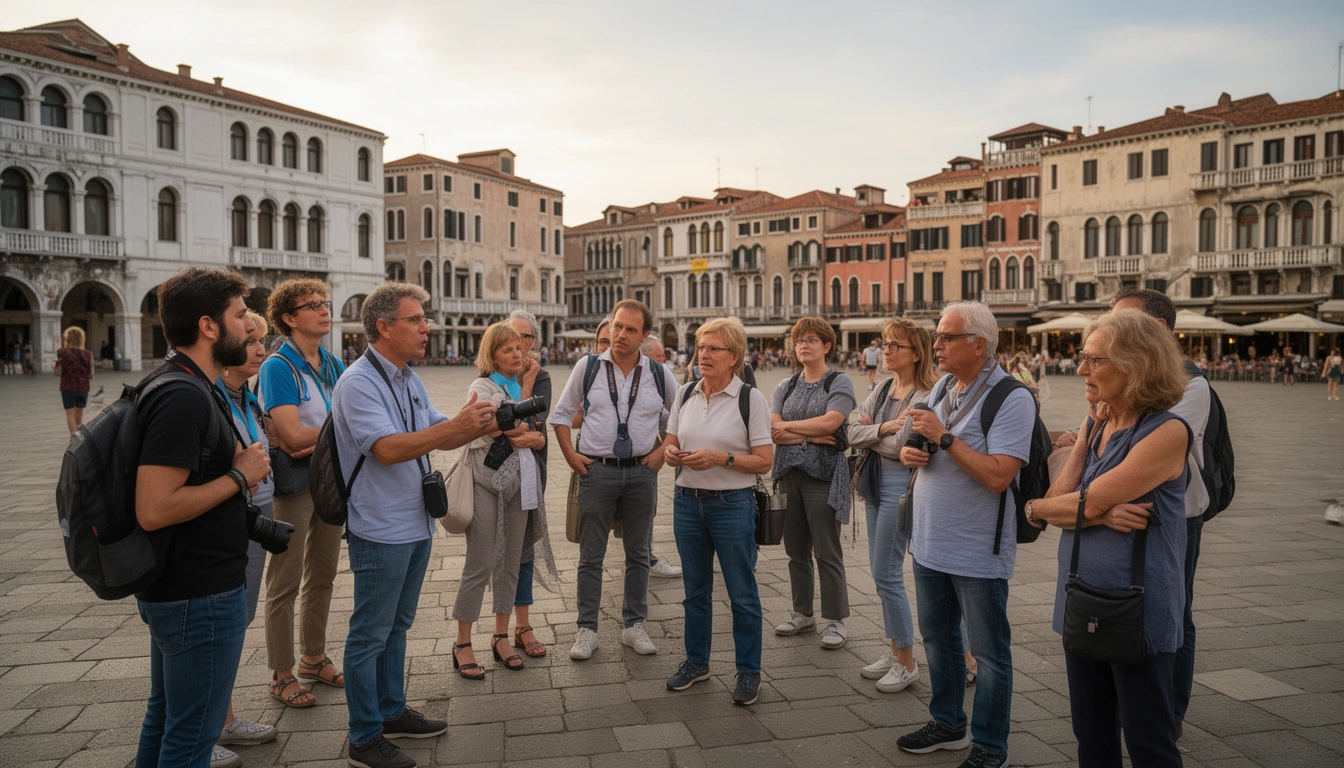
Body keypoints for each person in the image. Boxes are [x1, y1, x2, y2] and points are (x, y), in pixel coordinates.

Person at [332, 282, 497, 768]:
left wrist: (479, 422)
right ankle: (363, 736)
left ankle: (388, 709)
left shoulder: (407, 377)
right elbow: (386, 448)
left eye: (425, 319)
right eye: (416, 320)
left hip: (414, 522)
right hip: (379, 527)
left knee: (397, 625)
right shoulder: (359, 382)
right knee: (369, 632)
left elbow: (434, 426)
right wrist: (455, 428)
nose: (428, 327)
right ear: (384, 328)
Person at [1024, 309, 1190, 767]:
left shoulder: (1167, 431)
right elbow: (1070, 501)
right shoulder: (1099, 426)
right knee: (1091, 736)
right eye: (1083, 358)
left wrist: (1036, 509)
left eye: (1094, 361)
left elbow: (1061, 507)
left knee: (1148, 740)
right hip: (1081, 597)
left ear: (1135, 365)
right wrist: (1085, 436)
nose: (1081, 370)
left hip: (1136, 609)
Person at [133, 268, 272, 768]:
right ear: (209, 327)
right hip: (199, 593)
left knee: (168, 718)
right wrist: (239, 477)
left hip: (187, 587)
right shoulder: (182, 395)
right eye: (241, 317)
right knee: (192, 739)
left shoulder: (190, 383)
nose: (249, 329)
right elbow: (154, 508)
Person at [896, 301, 1035, 768]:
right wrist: (914, 453)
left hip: (978, 547)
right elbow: (925, 445)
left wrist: (945, 439)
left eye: (946, 337)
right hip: (930, 541)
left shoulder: (1012, 397)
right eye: (937, 336)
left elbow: (999, 476)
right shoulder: (942, 387)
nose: (935, 345)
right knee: (938, 639)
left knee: (989, 654)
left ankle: (991, 746)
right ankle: (949, 723)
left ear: (979, 345)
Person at [551, 299, 676, 661]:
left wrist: (660, 454)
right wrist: (570, 457)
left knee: (638, 554)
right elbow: (560, 415)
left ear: (645, 335)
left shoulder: (657, 373)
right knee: (591, 556)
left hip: (641, 472)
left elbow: (682, 416)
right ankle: (586, 629)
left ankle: (634, 625)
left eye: (630, 329)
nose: (620, 335)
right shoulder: (587, 367)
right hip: (597, 470)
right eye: (617, 326)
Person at [1111, 287, 1210, 739]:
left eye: (1123, 324)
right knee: (1124, 604)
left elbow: (1140, 447)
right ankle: (1127, 700)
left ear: (1159, 330)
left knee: (1174, 610)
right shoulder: (1118, 377)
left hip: (1177, 516)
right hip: (1122, 507)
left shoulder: (1192, 385)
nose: (1113, 333)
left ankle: (1170, 713)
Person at [663, 318, 773, 705]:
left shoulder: (751, 399)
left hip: (733, 506)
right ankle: (697, 662)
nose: (703, 355)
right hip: (686, 502)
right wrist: (671, 453)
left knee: (742, 593)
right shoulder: (685, 392)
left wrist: (721, 458)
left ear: (735, 357)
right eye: (700, 347)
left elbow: (763, 461)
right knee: (695, 592)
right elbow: (669, 442)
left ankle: (748, 671)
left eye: (713, 349)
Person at [258, 279, 346, 709]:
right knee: (285, 579)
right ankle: (281, 672)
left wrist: (327, 438)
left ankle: (313, 657)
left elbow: (345, 420)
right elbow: (292, 436)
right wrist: (338, 435)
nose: (324, 310)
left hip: (329, 478)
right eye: (312, 306)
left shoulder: (332, 363)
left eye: (325, 303)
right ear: (289, 318)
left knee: (324, 573)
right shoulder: (279, 366)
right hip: (295, 480)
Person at [452, 322, 555, 679]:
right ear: (491, 354)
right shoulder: (482, 385)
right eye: (508, 349)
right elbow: (494, 427)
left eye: (520, 348)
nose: (517, 354)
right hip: (485, 485)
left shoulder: (516, 386)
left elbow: (536, 432)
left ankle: (500, 635)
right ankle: (463, 642)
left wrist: (530, 433)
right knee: (480, 563)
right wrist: (520, 428)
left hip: (520, 484)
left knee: (511, 561)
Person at [848, 319, 938, 693]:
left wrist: (875, 435)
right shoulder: (884, 387)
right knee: (878, 569)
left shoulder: (925, 395)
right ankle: (894, 647)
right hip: (875, 482)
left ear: (916, 354)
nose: (885, 350)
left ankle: (906, 660)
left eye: (894, 346)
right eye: (884, 344)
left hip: (903, 485)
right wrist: (883, 430)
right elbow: (851, 431)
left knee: (886, 571)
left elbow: (908, 449)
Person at [214, 310, 281, 762]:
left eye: (261, 341)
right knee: (219, 623)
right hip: (228, 517)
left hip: (258, 511)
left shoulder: (246, 396)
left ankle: (225, 717)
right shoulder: (211, 397)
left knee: (238, 620)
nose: (260, 350)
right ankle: (208, 729)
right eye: (251, 340)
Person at [770, 317, 857, 649]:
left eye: (811, 339)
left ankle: (836, 620)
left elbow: (833, 422)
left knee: (827, 550)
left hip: (822, 476)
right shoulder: (785, 385)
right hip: (786, 475)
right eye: (799, 340)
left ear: (827, 346)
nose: (803, 345)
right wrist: (811, 436)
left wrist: (794, 432)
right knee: (795, 551)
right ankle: (802, 613)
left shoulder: (839, 382)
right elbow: (774, 429)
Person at [508, 310, 556, 658]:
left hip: (528, 473)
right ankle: (497, 629)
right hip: (493, 477)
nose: (519, 343)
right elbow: (509, 427)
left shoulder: (544, 377)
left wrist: (524, 429)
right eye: (511, 335)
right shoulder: (487, 375)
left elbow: (532, 422)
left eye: (525, 337)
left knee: (524, 548)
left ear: (534, 343)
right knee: (493, 552)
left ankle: (522, 625)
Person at [641, 334, 684, 579]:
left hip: (649, 461)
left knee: (647, 512)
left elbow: (675, 412)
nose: (664, 361)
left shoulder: (660, 378)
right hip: (632, 461)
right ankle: (642, 558)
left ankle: (644, 557)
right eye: (659, 357)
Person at [54, 326, 93, 434]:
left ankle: (73, 438)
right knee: (79, 416)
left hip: (67, 387)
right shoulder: (87, 354)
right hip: (83, 387)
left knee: (70, 414)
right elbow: (90, 373)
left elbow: (58, 370)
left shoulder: (62, 352)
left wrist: (65, 347)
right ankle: (81, 438)